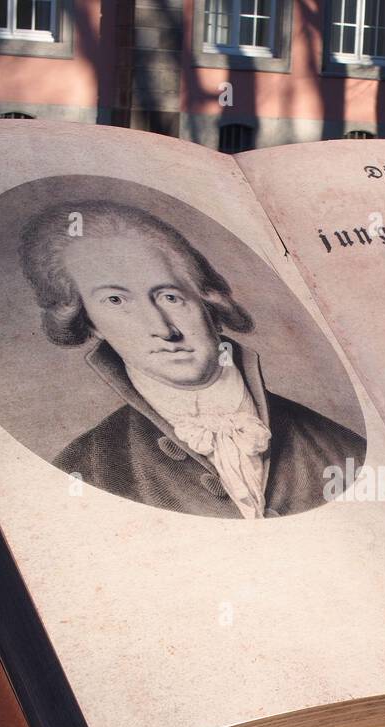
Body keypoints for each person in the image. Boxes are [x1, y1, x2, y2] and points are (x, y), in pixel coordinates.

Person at [20, 200, 365, 519]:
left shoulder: (342, 450)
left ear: (207, 304)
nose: (162, 329)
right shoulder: (87, 469)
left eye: (170, 296)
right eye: (115, 301)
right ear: (90, 322)